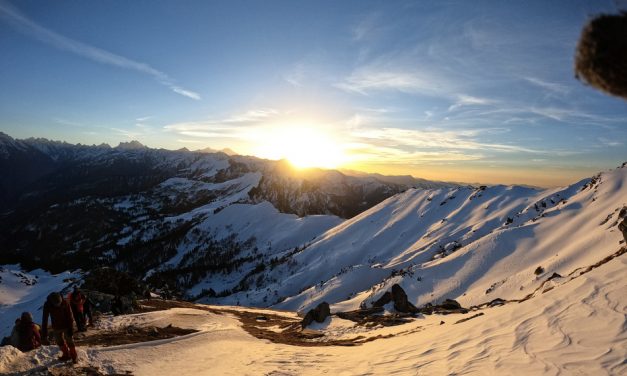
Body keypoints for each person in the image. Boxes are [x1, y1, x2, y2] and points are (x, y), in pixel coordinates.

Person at [42, 292, 78, 363]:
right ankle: (66, 355)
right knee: (59, 341)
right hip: (56, 326)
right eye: (56, 305)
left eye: (59, 304)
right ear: (52, 303)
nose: (58, 305)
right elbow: (44, 320)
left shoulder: (65, 302)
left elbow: (70, 315)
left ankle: (74, 356)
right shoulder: (47, 305)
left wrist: (71, 328)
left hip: (66, 325)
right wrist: (44, 335)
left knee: (69, 340)